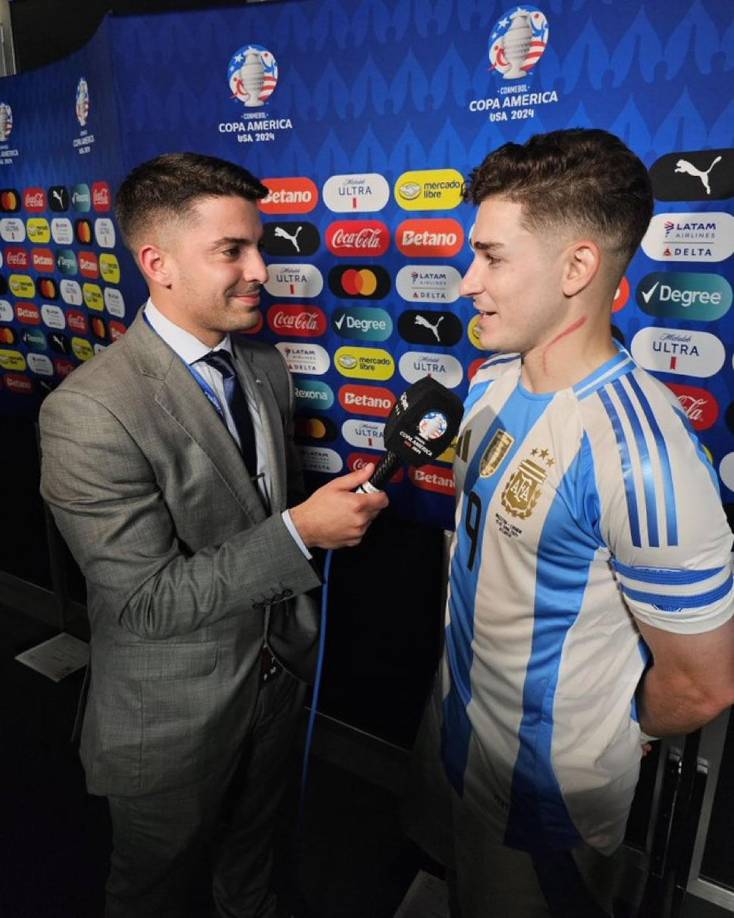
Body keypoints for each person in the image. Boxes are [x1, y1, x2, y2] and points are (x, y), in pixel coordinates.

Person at [39, 152, 388, 918]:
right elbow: (145, 602)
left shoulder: (262, 365)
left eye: (258, 246)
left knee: (249, 866)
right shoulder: (89, 413)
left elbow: (247, 510)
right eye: (233, 251)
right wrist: (302, 532)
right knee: (151, 891)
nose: (262, 269)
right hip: (172, 717)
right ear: (157, 263)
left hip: (276, 684)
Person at [405, 129, 734, 917]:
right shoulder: (487, 383)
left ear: (578, 267)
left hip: (547, 804)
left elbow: (702, 684)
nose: (463, 282)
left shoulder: (642, 457)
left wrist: (607, 729)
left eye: (490, 256)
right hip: (452, 735)